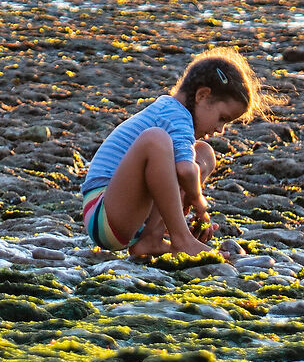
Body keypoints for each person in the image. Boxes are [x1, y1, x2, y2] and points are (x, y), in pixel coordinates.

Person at [79, 48, 269, 258]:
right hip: (102, 213)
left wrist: (188, 209)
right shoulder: (175, 115)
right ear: (202, 95)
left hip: (127, 216)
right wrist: (199, 203)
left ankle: (152, 239)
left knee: (203, 153)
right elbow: (185, 171)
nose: (220, 129)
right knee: (156, 140)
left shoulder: (175, 114)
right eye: (222, 118)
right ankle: (182, 239)